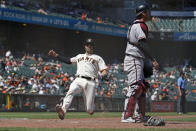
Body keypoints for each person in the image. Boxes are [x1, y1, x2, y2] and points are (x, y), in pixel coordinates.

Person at [48, 38, 108, 120]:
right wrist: (56, 55)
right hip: (79, 79)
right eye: (87, 45)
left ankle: (90, 110)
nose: (89, 46)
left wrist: (103, 75)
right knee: (71, 91)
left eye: (91, 45)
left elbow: (104, 70)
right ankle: (63, 110)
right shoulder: (79, 56)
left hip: (91, 82)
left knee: (89, 109)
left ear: (93, 47)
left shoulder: (97, 58)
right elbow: (68, 61)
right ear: (85, 46)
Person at [122, 3, 159, 123]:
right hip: (133, 58)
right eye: (148, 11)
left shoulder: (136, 25)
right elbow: (142, 44)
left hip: (136, 58)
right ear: (143, 13)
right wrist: (153, 59)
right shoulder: (139, 25)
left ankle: (140, 115)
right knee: (136, 87)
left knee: (142, 88)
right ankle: (127, 116)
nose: (149, 13)